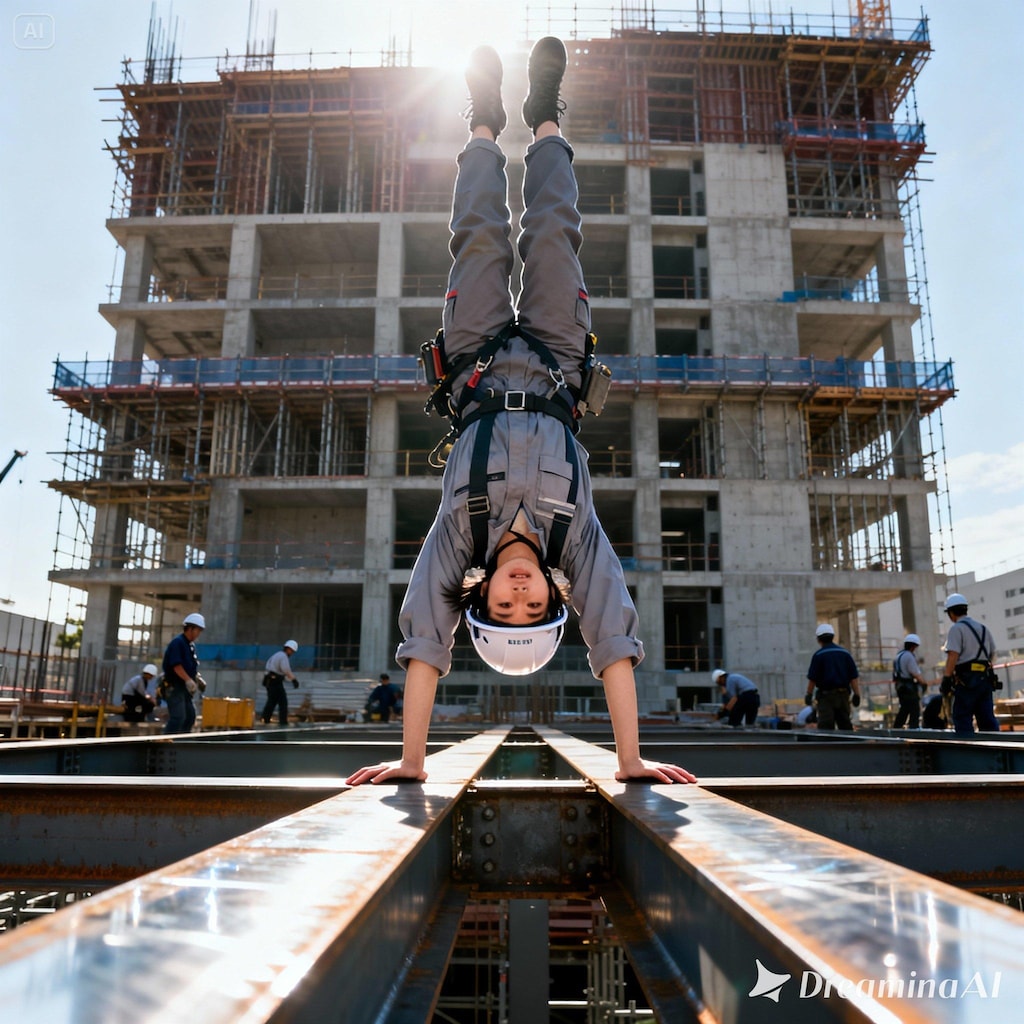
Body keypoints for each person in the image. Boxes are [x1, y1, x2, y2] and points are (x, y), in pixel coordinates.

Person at [346, 40, 695, 787]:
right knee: (553, 239)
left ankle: (482, 122)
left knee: (477, 241)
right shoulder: (577, 544)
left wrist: (412, 763)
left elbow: (424, 647)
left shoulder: (455, 539)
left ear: (477, 596)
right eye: (531, 608)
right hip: (557, 366)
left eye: (501, 609)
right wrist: (630, 760)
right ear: (550, 599)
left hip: (472, 367)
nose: (517, 596)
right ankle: (543, 120)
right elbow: (614, 642)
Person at [940, 593, 999, 735]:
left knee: (962, 716)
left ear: (951, 613)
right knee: (986, 718)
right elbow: (992, 655)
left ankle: (967, 749)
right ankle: (995, 747)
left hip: (966, 681)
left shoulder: (956, 629)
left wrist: (947, 678)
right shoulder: (983, 628)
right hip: (984, 680)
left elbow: (953, 655)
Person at [805, 623, 861, 731]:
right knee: (845, 725)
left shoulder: (818, 655)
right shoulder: (845, 654)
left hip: (826, 698)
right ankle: (848, 747)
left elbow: (812, 679)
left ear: (819, 639)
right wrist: (857, 694)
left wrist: (809, 694)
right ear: (832, 636)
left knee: (826, 728)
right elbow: (853, 678)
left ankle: (828, 747)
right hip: (843, 697)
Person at [161, 612, 207, 734]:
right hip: (174, 687)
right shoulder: (178, 643)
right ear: (190, 628)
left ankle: (182, 741)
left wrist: (196, 678)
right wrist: (188, 680)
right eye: (198, 630)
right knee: (178, 717)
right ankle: (166, 742)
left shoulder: (190, 646)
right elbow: (177, 666)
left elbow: (189, 666)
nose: (198, 634)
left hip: (184, 689)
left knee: (190, 717)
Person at [892, 633, 929, 729]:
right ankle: (913, 730)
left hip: (899, 686)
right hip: (908, 687)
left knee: (904, 709)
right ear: (914, 646)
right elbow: (915, 673)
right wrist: (924, 683)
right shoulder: (909, 656)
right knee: (914, 710)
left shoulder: (898, 655)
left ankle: (897, 728)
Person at [262, 640, 300, 726]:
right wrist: (294, 680)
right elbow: (286, 670)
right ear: (289, 649)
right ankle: (283, 721)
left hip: (269, 680)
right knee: (282, 701)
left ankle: (266, 718)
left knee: (272, 700)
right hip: (274, 681)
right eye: (292, 651)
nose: (292, 653)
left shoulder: (278, 654)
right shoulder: (283, 657)